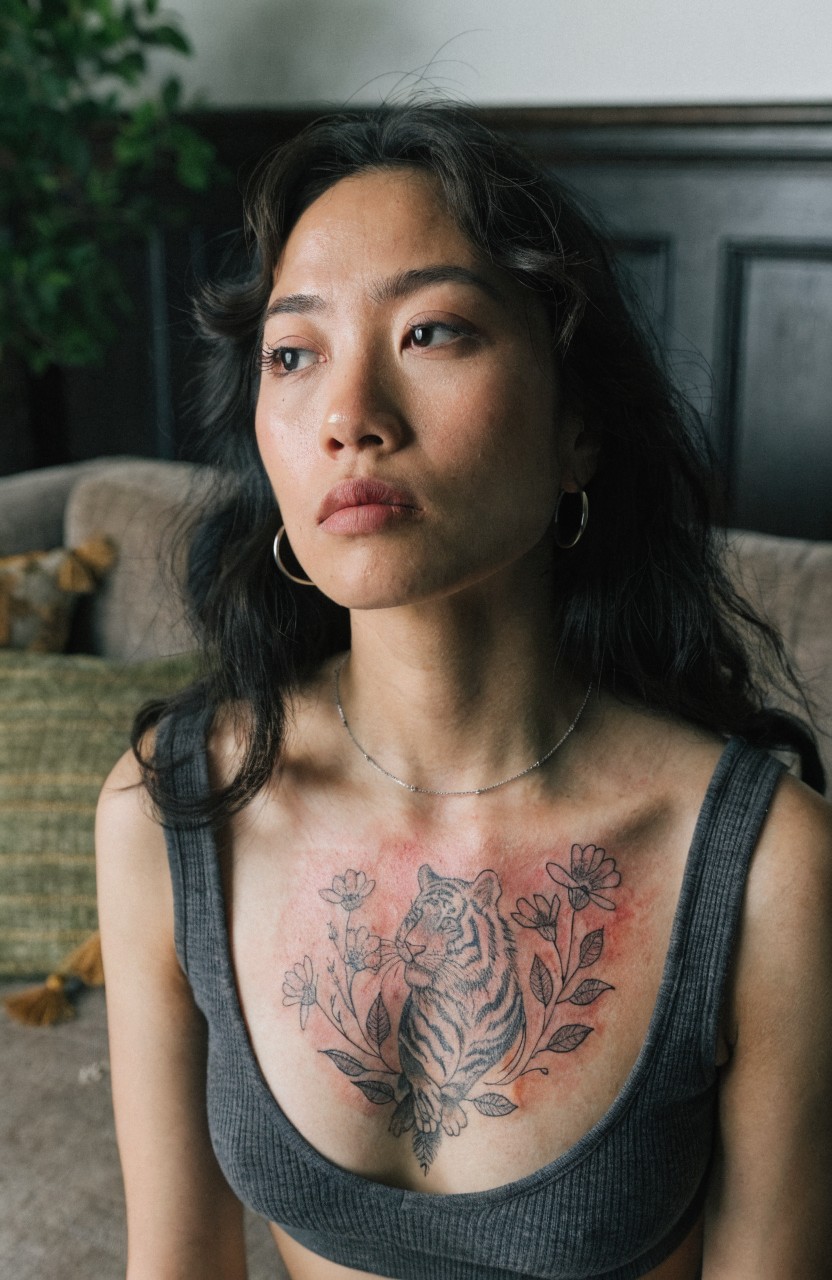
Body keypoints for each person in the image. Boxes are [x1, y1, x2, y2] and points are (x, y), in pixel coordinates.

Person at [96, 104, 832, 1280]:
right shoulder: (177, 808)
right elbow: (173, 1261)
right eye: (293, 354)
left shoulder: (761, 862)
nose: (349, 417)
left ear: (577, 429)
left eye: (432, 331)